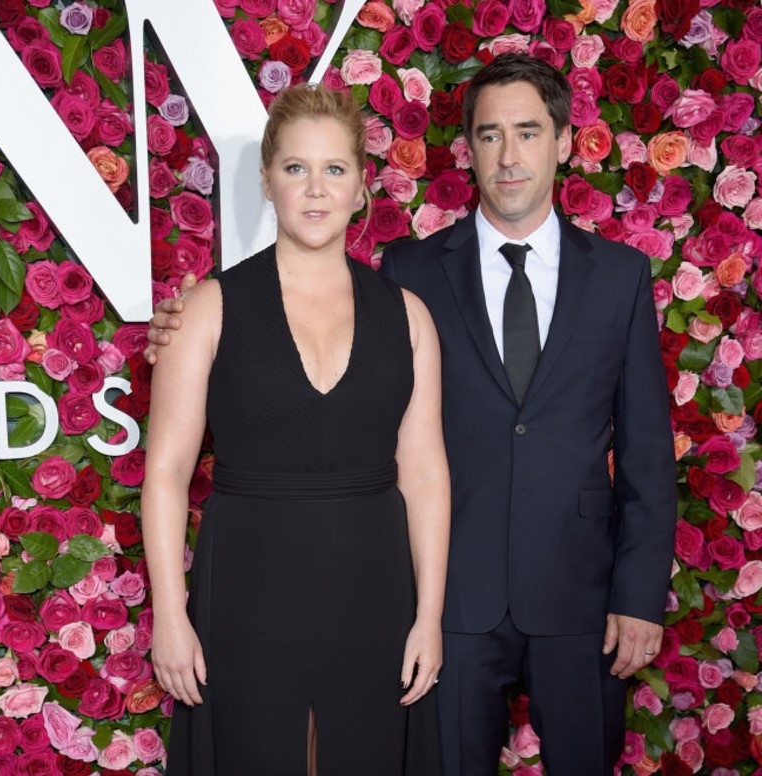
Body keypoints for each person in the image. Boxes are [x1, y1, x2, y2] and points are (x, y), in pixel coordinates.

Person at [147, 54, 676, 775]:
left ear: (563, 139)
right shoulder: (413, 272)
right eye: (490, 134)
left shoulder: (614, 277)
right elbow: (181, 461)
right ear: (267, 180)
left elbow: (641, 450)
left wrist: (638, 595)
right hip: (389, 598)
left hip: (553, 599)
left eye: (527, 131)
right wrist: (171, 618)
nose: (510, 153)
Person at [140, 83, 449, 776]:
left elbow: (425, 474)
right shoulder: (208, 309)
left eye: (334, 169)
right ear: (267, 182)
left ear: (362, 187)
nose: (316, 189)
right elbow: (165, 473)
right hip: (247, 588)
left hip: (374, 589)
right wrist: (170, 613)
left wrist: (429, 615)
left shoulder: (408, 317)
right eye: (296, 169)